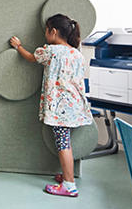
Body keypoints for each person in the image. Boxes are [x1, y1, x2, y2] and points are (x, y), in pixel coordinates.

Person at [9, 13, 93, 198]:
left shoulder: (51, 51)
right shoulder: (77, 54)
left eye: (46, 30)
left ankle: (69, 185)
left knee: (63, 144)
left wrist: (18, 46)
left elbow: (31, 57)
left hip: (61, 109)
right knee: (65, 142)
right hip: (75, 106)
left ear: (53, 32)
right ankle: (67, 176)